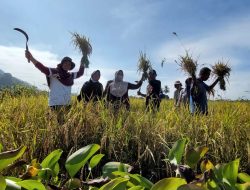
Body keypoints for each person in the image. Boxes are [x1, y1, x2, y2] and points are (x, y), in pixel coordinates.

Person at [25, 50, 86, 123]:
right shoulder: (54, 72)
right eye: (65, 63)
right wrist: (31, 58)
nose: (67, 65)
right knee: (55, 127)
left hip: (67, 105)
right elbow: (43, 68)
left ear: (70, 67)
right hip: (55, 105)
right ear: (62, 64)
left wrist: (83, 61)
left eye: (69, 64)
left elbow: (80, 73)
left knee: (65, 126)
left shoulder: (70, 76)